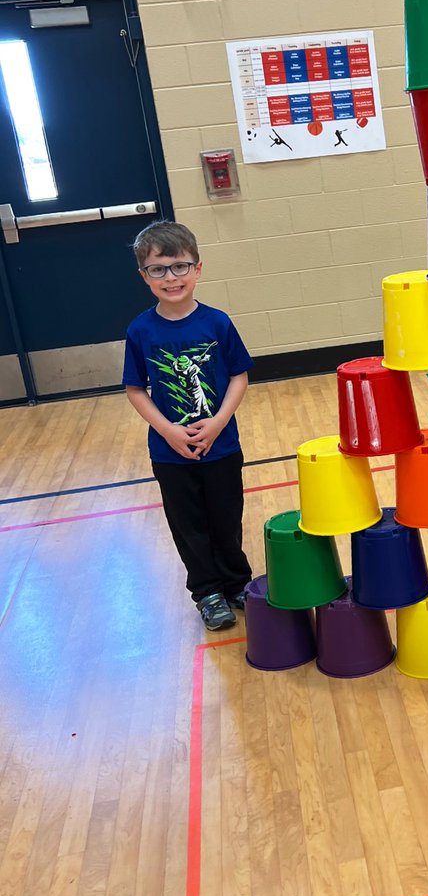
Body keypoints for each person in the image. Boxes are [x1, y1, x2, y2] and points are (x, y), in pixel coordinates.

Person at [123, 221, 254, 632]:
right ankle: (208, 592)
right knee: (189, 525)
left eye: (180, 266)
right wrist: (169, 431)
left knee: (226, 517)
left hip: (222, 445)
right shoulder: (140, 330)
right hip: (171, 453)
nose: (171, 277)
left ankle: (236, 583)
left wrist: (217, 423)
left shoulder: (217, 323)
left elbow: (239, 376)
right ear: (144, 276)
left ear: (198, 269)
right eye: (158, 269)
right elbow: (135, 390)